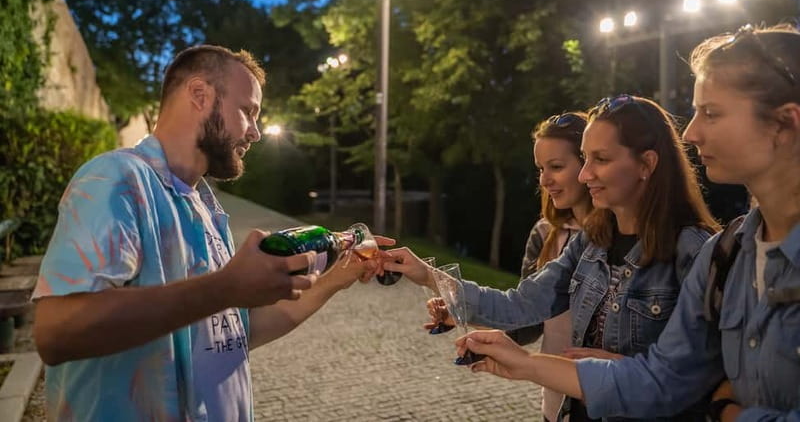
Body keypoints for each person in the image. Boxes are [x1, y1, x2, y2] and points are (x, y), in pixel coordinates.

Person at [456, 24, 800, 421]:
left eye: (711, 113)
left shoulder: (697, 249)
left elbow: (676, 387)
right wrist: (526, 364)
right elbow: (662, 378)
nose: (690, 132)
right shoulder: (727, 253)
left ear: (784, 124)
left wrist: (720, 409)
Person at [32, 45, 392, 421]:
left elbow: (234, 333)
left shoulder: (205, 206)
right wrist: (225, 287)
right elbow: (57, 332)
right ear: (200, 95)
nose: (255, 132)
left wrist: (337, 278)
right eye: (248, 112)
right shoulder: (117, 179)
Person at [388, 95, 719, 421]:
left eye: (600, 159)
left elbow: (701, 379)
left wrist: (624, 371)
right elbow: (519, 305)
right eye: (585, 159)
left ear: (647, 164)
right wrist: (426, 274)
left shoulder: (694, 250)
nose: (585, 174)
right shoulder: (591, 240)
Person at [505, 112, 592, 422]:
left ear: (589, 164)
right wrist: (459, 312)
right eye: (541, 169)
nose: (544, 180)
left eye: (556, 167)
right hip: (555, 405)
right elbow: (525, 320)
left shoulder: (624, 238)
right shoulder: (545, 234)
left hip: (606, 402)